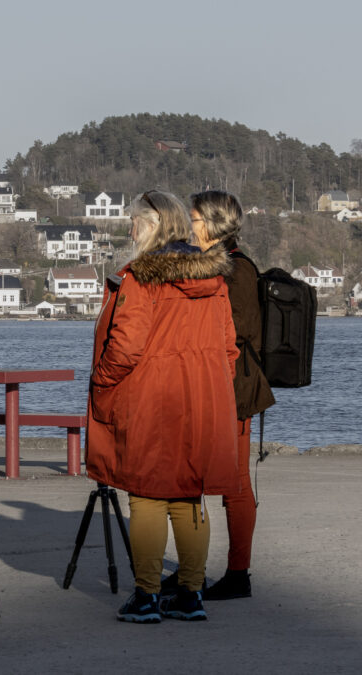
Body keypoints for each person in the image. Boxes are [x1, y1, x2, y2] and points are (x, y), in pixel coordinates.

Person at [86, 189, 239, 624]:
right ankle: (191, 593)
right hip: (200, 401)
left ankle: (147, 595)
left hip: (151, 400)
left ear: (151, 227)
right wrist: (209, 389)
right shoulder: (214, 280)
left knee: (148, 497)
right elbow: (230, 348)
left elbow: (126, 347)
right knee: (189, 495)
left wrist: (101, 380)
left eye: (134, 222)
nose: (129, 229)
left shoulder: (141, 277)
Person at [189, 190, 275, 600]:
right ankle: (193, 571)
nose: (190, 226)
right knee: (193, 477)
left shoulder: (236, 270)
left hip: (233, 387)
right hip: (212, 384)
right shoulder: (217, 266)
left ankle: (238, 573)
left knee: (236, 483)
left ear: (213, 223)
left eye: (194, 219)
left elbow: (234, 331)